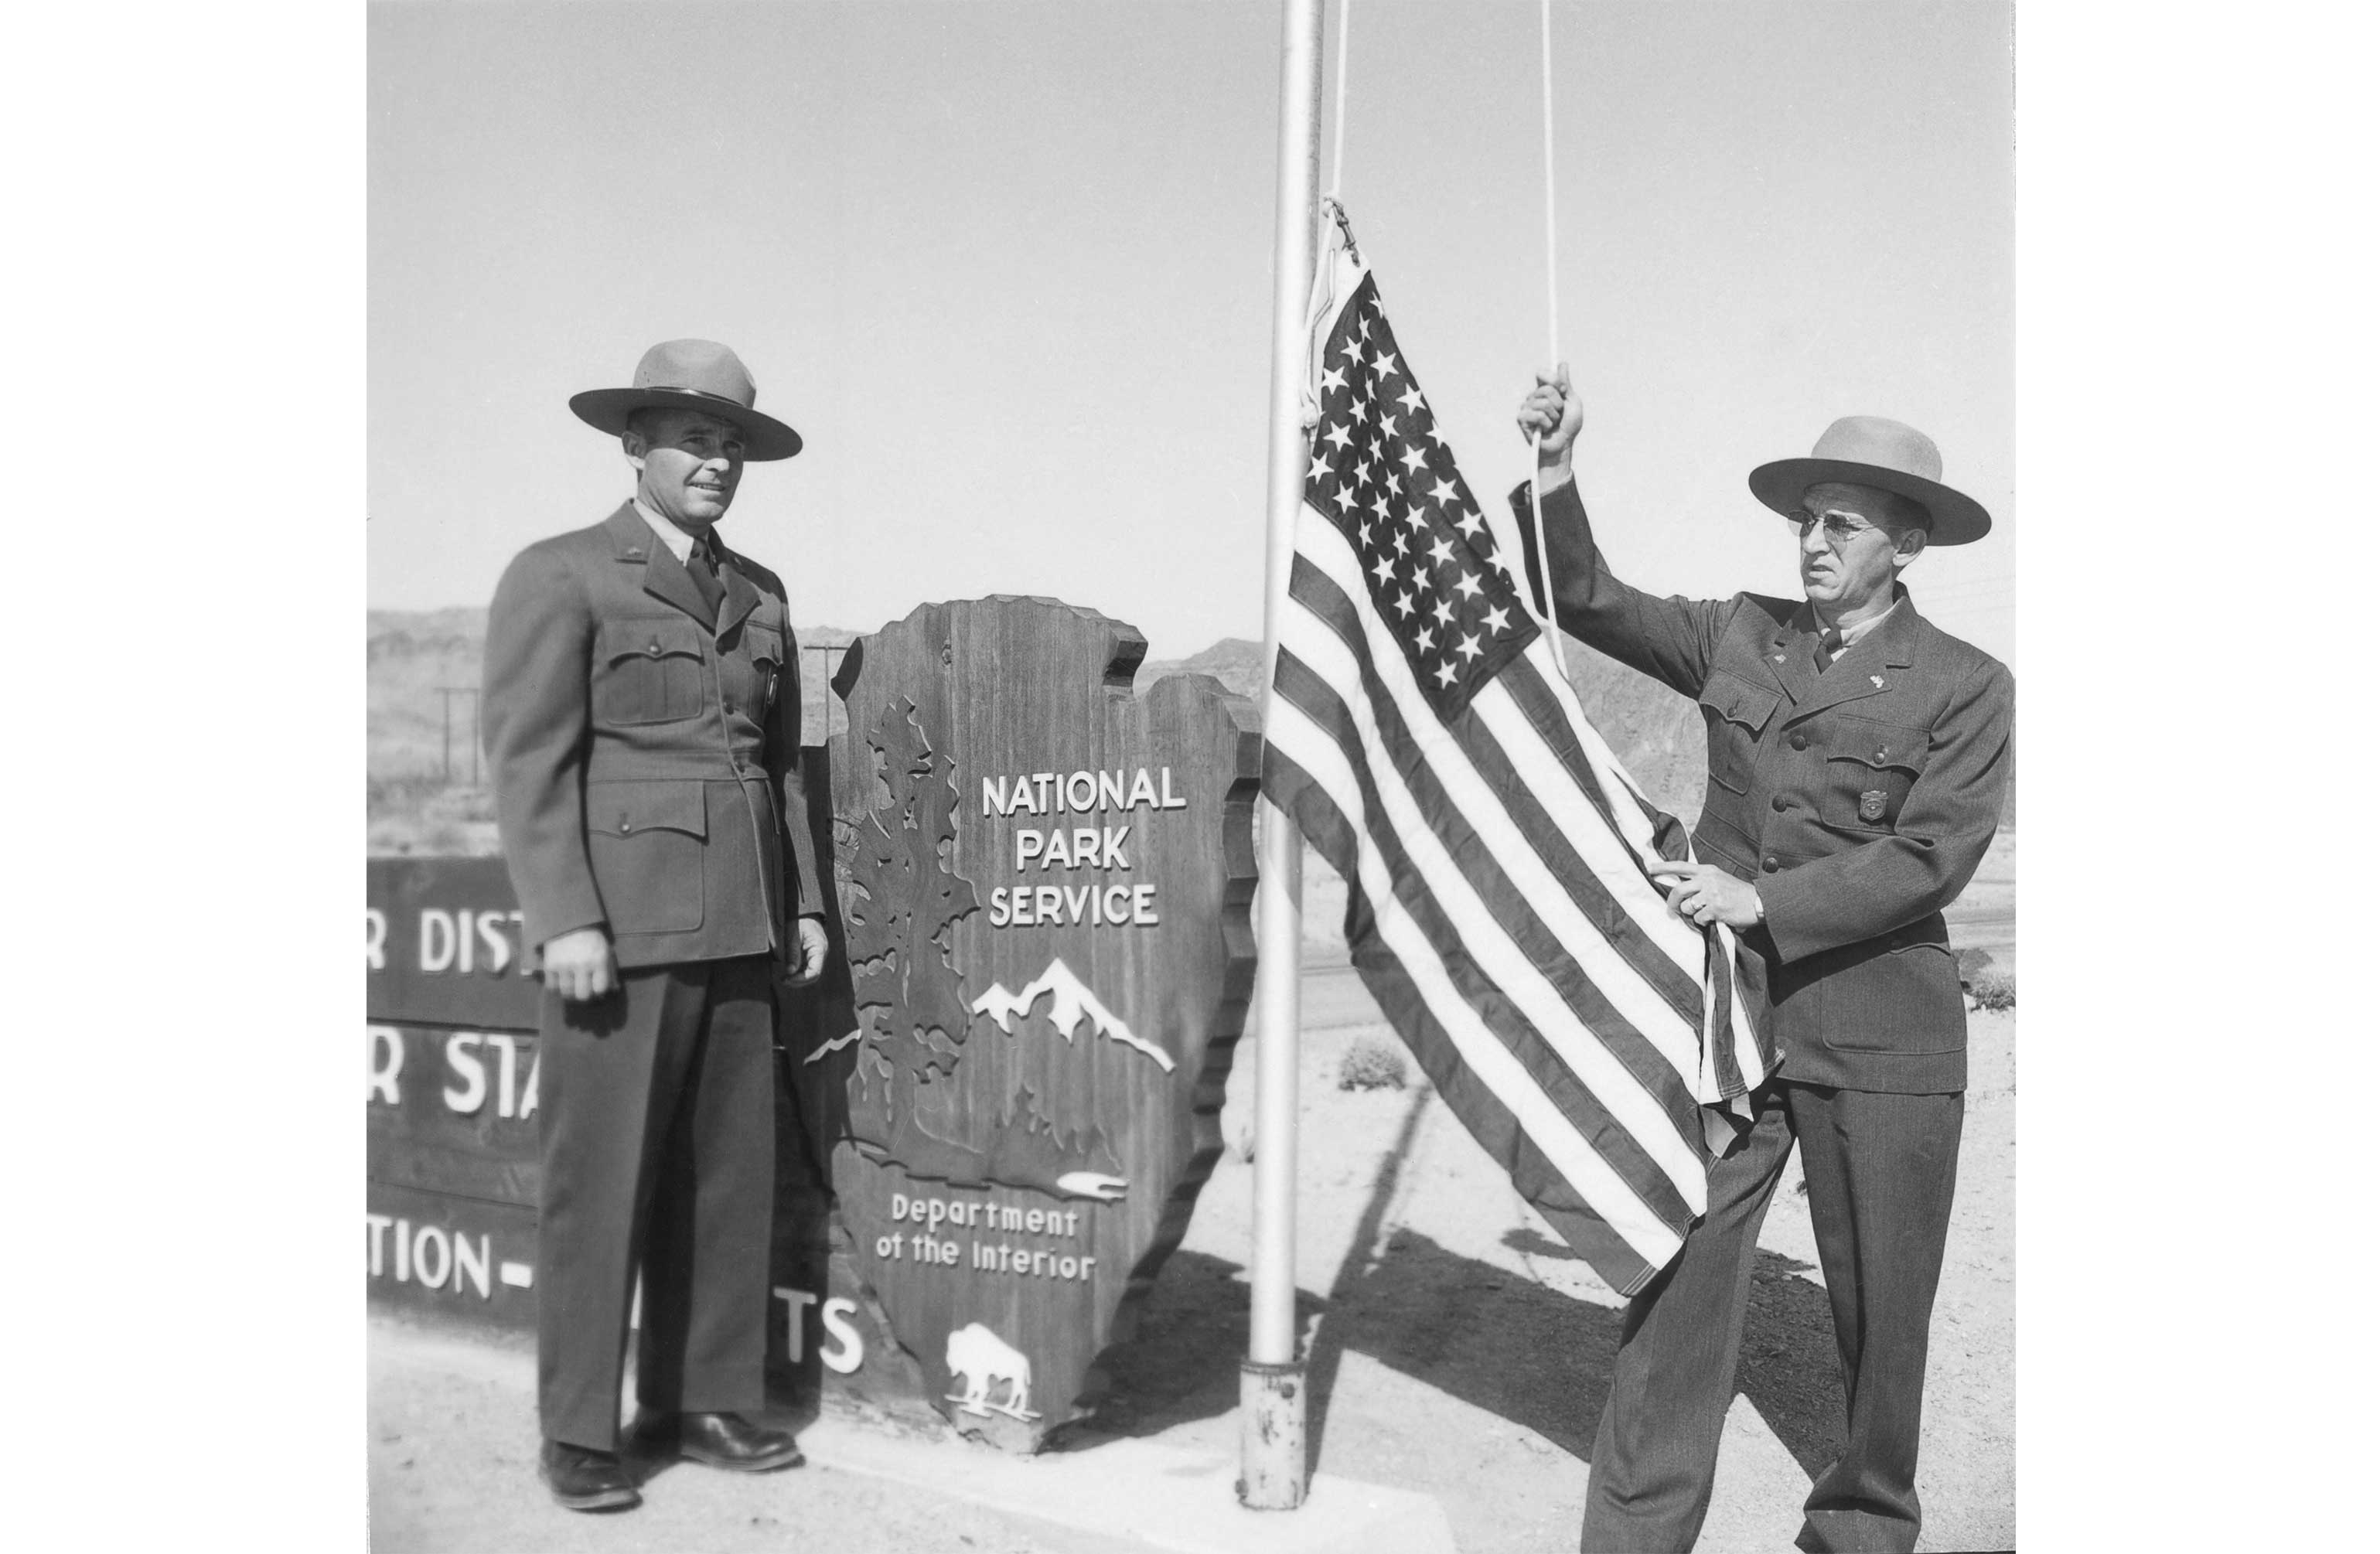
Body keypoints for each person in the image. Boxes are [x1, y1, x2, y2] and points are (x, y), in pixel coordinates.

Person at [1512, 368, 2012, 1554]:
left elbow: (1930, 857)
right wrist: (1555, 470)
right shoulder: (1739, 631)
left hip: (1881, 1032)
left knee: (1881, 1311)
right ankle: (1634, 1532)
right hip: (1732, 1022)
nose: (1811, 542)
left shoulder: (1967, 684)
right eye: (1804, 520)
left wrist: (1760, 898)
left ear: (1905, 544)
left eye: (1841, 524)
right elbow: (1583, 597)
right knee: (1678, 1276)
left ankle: (1860, 1525)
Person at [482, 338, 832, 1513]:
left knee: (726, 1180)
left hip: (738, 924)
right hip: (620, 936)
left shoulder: (761, 594)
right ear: (635, 447)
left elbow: (775, 765)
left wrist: (802, 902)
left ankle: (703, 1400)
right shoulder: (565, 573)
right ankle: (579, 1428)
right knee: (601, 1183)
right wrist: (564, 919)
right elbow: (530, 762)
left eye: (731, 443)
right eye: (692, 439)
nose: (715, 462)